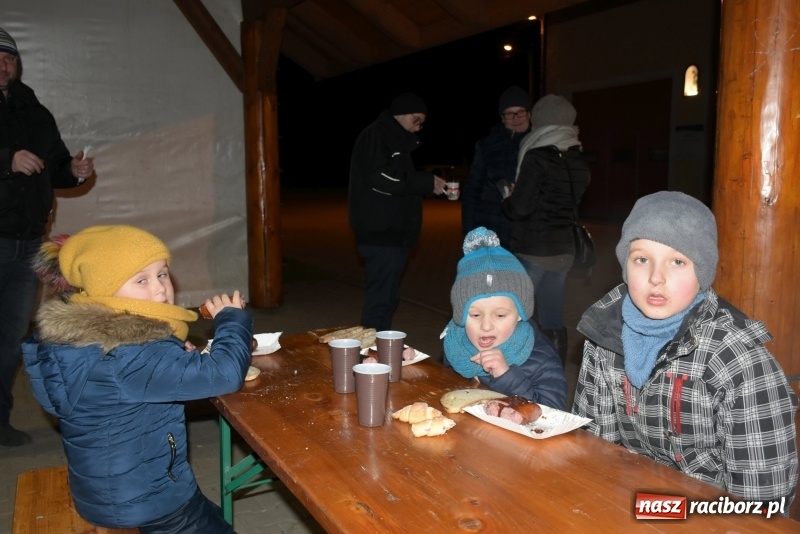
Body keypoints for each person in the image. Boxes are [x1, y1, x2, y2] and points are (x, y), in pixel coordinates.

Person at [572, 191, 798, 507]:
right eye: (641, 259)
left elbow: (762, 506)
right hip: (625, 505)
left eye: (677, 261)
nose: (655, 278)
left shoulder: (739, 361)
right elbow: (594, 451)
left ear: (701, 272)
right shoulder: (604, 335)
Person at [22, 225, 251, 532]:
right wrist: (231, 320)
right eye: (141, 279)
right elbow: (224, 375)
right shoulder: (130, 351)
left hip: (110, 491)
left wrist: (171, 355)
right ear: (104, 290)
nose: (160, 289)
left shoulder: (82, 342)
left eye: (163, 274)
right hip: (149, 497)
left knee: (209, 518)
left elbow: (124, 386)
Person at [0, 27, 94, 446]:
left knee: (12, 336)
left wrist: (72, 172)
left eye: (9, 57)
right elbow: (15, 163)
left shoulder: (33, 109)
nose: (3, 64)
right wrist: (5, 160)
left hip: (27, 243)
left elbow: (53, 164)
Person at [501, 94, 590, 366]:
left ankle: (514, 370)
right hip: (564, 251)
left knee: (515, 314)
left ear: (539, 120)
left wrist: (508, 198)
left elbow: (521, 209)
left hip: (534, 250)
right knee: (552, 316)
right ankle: (555, 374)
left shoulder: (537, 156)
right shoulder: (579, 158)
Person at [348, 92, 447, 331]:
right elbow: (380, 177)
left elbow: (398, 184)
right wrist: (424, 182)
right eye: (417, 120)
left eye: (422, 123)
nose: (418, 128)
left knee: (387, 299)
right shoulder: (378, 135)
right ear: (402, 113)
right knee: (380, 301)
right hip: (382, 235)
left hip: (393, 236)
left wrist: (424, 186)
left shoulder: (392, 139)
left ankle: (379, 353)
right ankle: (371, 358)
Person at [441, 227, 566, 409]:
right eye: (475, 314)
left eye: (500, 315)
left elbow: (553, 413)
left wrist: (505, 376)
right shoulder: (456, 343)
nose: (486, 326)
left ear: (519, 315)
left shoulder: (541, 358)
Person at [461, 85, 530, 249]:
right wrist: (469, 230)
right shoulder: (486, 145)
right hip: (488, 228)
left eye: (520, 111)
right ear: (502, 117)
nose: (515, 118)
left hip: (523, 231)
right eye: (509, 113)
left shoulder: (537, 144)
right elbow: (472, 189)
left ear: (529, 113)